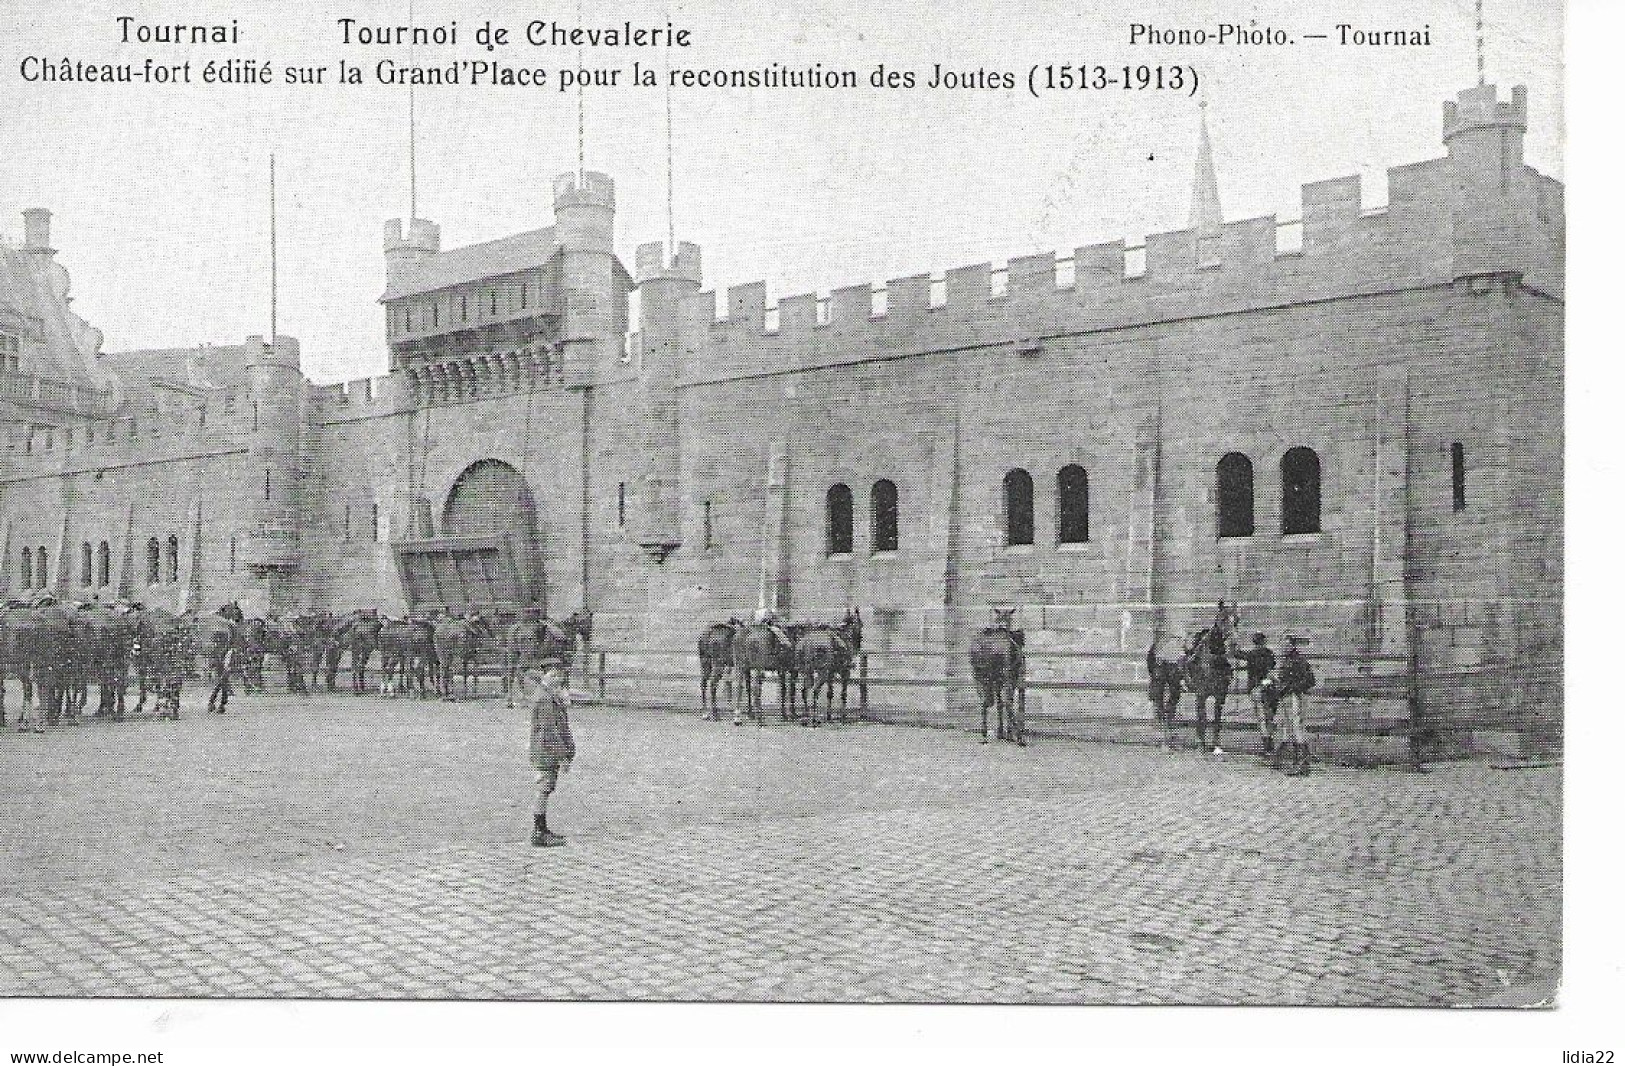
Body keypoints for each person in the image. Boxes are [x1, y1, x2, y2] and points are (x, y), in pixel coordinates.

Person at [518, 656, 575, 847]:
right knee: (544, 789)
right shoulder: (544, 699)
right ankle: (539, 832)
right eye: (553, 674)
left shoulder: (548, 695)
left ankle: (541, 829)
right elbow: (549, 732)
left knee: (546, 788)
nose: (557, 678)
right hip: (546, 751)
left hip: (546, 750)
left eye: (559, 675)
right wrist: (562, 757)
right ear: (546, 674)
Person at [1275, 635, 1317, 776]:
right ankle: (1296, 763)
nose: (1283, 648)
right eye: (1282, 645)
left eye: (1286, 645)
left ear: (1292, 646)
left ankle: (1302, 764)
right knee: (1290, 729)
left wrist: (1294, 688)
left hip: (1295, 697)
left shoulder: (1300, 661)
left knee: (1296, 728)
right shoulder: (1287, 660)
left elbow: (1311, 680)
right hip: (1287, 697)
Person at [1233, 633, 1278, 758]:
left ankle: (1267, 746)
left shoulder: (1251, 654)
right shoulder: (1269, 653)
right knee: (1269, 716)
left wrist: (1235, 645)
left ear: (1254, 642)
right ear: (1264, 641)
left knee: (1261, 717)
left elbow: (1237, 654)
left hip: (1256, 688)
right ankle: (1270, 743)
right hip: (1269, 687)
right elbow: (1272, 669)